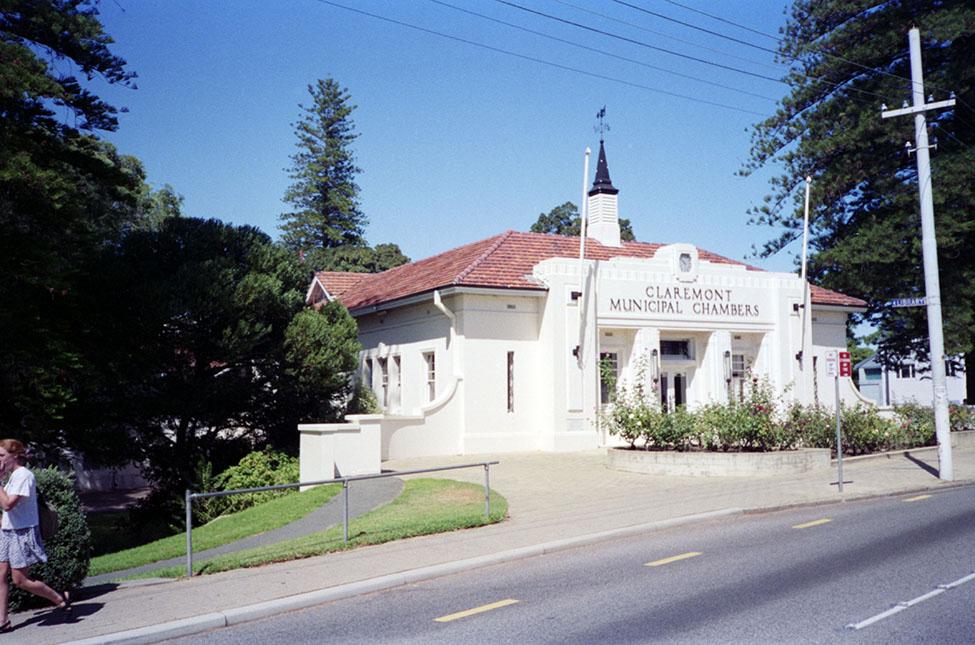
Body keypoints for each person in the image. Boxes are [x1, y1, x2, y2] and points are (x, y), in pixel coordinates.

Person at [0, 439, 69, 632]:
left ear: (15, 456)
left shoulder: (24, 476)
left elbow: (7, 504)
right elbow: (8, 511)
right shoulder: (11, 476)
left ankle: (58, 598)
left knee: (20, 580)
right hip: (7, 532)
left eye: (2, 455)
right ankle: (3, 621)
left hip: (22, 532)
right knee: (0, 575)